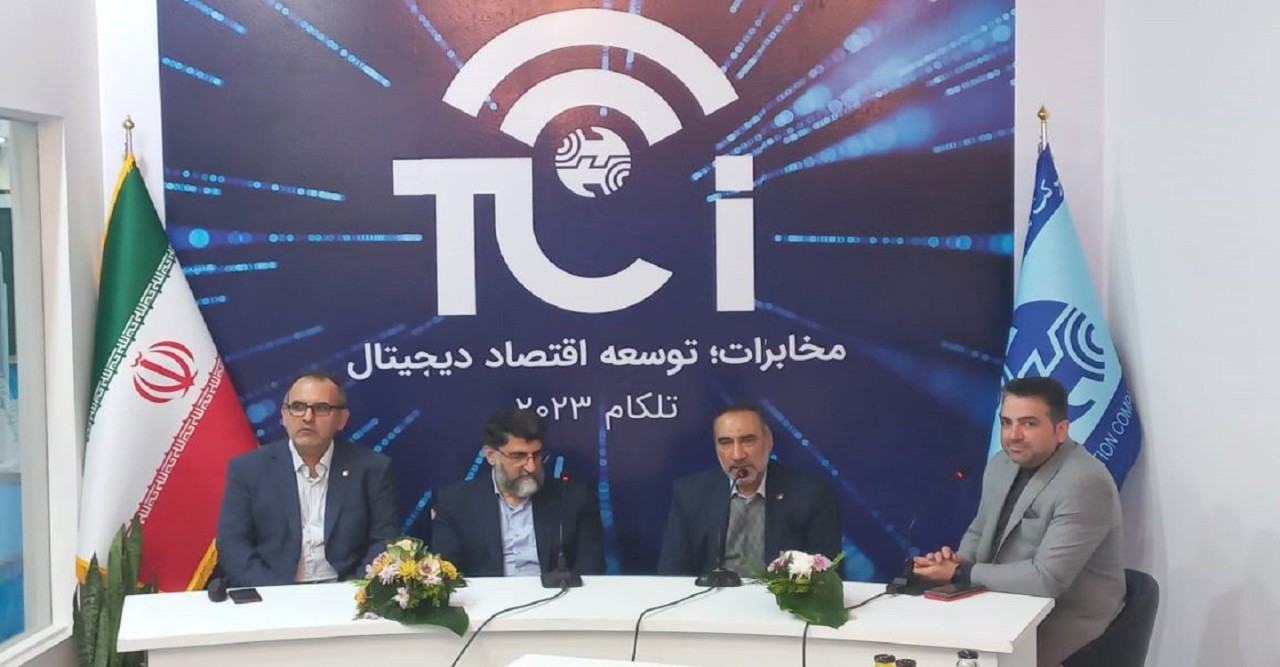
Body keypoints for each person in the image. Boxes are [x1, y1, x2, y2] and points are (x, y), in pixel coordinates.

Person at [912, 377, 1125, 667]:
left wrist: (962, 572)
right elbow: (979, 531)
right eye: (1006, 423)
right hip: (1000, 609)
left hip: (1062, 626)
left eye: (1029, 424)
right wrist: (953, 563)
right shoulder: (1001, 463)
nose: (1014, 435)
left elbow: (1047, 580)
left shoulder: (1084, 483)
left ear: (1061, 430)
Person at [216, 370, 399, 587]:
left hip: (346, 592)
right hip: (272, 592)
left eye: (321, 408)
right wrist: (278, 595)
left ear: (342, 419)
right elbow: (233, 544)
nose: (307, 417)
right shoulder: (248, 469)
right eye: (298, 407)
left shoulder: (372, 468)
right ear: (284, 415)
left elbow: (384, 541)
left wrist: (353, 591)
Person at [658, 404, 842, 577]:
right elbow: (672, 572)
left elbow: (827, 575)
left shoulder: (811, 495)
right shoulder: (691, 493)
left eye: (748, 440)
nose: (737, 455)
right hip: (712, 597)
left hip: (781, 598)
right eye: (725, 442)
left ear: (769, 441)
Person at [431, 409, 604, 577]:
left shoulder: (574, 498)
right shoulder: (455, 502)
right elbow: (448, 577)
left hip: (555, 594)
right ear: (491, 455)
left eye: (537, 455)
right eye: (518, 456)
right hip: (488, 596)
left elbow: (591, 572)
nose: (531, 467)